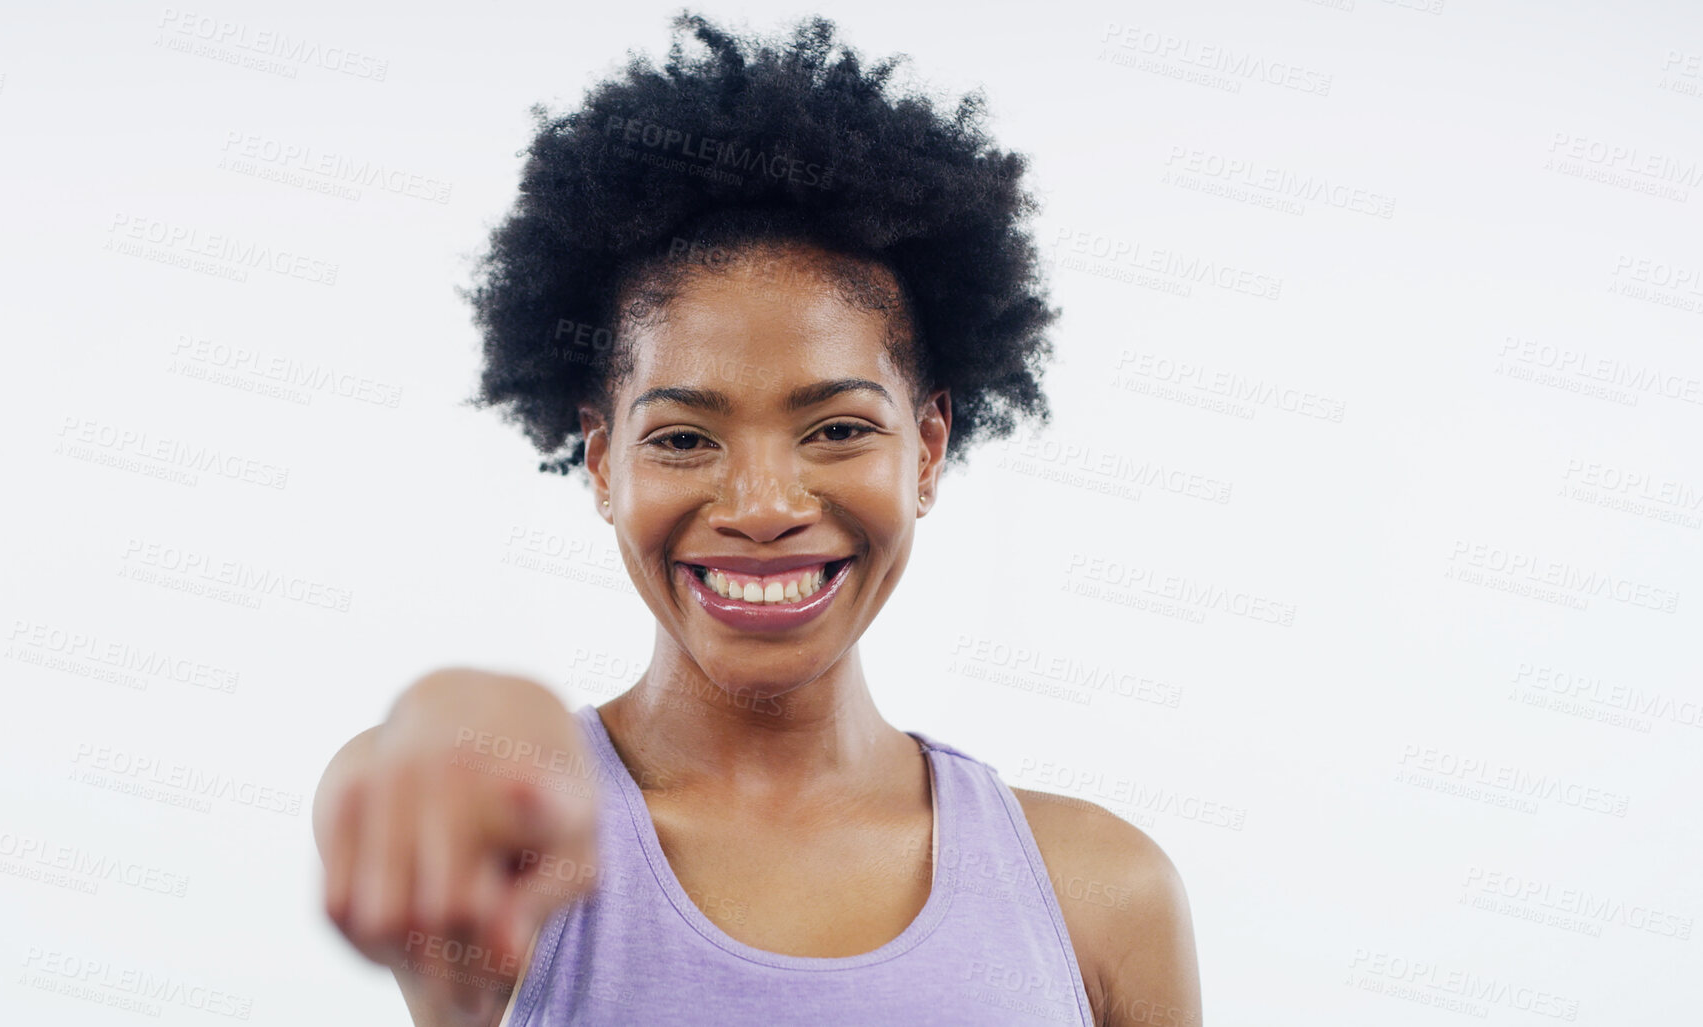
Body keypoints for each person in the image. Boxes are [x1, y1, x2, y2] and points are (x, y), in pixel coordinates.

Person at [311, 11, 1200, 1025]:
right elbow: (420, 770)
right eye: (685, 438)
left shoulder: (1102, 895)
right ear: (603, 461)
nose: (765, 507)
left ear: (930, 447)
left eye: (836, 428)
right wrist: (443, 715)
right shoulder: (516, 846)